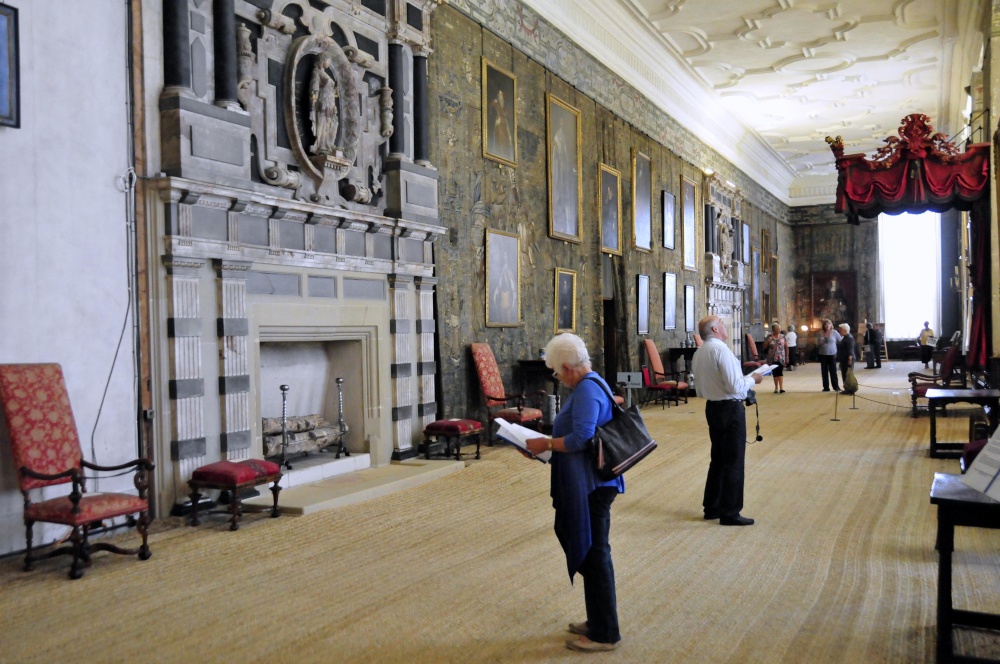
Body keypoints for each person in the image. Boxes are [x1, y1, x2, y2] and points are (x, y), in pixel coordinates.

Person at [525, 334, 624, 652]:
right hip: (587, 482)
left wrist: (548, 444)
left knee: (595, 554)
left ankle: (605, 632)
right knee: (587, 548)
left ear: (568, 367)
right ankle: (598, 619)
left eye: (556, 372)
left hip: (594, 486)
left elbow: (581, 437)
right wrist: (543, 448)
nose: (557, 377)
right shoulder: (588, 385)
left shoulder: (587, 390)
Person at [690, 315, 764, 526]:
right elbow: (734, 386)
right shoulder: (721, 350)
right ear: (714, 330)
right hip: (730, 409)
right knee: (733, 460)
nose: (724, 326)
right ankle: (730, 512)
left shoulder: (699, 352)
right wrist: (754, 379)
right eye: (721, 324)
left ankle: (712, 507)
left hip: (712, 407)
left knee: (719, 459)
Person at [309, 54, 339, 155]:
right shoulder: (317, 72)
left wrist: (336, 89)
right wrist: (313, 98)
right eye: (328, 61)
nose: (329, 63)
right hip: (323, 100)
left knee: (331, 122)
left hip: (330, 101)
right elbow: (314, 86)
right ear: (323, 60)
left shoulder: (324, 73)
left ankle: (328, 144)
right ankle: (322, 144)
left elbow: (334, 92)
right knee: (323, 121)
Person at [817, 319, 841, 392]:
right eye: (826, 324)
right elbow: (818, 342)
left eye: (829, 324)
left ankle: (836, 386)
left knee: (833, 371)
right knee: (824, 371)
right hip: (823, 353)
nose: (827, 326)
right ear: (823, 326)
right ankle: (826, 387)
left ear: (831, 325)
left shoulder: (834, 332)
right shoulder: (821, 333)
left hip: (832, 353)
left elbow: (840, 340)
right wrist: (822, 342)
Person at [763, 323, 786, 393]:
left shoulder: (782, 336)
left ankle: (781, 388)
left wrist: (787, 357)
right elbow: (764, 346)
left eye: (779, 329)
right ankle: (776, 388)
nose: (779, 330)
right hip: (772, 357)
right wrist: (768, 341)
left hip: (781, 357)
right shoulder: (769, 337)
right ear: (773, 330)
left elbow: (786, 347)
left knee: (780, 371)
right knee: (775, 372)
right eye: (777, 329)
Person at [837, 323, 856, 387]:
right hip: (843, 358)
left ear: (845, 330)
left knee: (847, 374)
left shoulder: (849, 338)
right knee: (844, 374)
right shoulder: (845, 337)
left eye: (840, 330)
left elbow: (850, 349)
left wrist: (850, 359)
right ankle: (846, 388)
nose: (839, 331)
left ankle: (849, 388)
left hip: (847, 359)